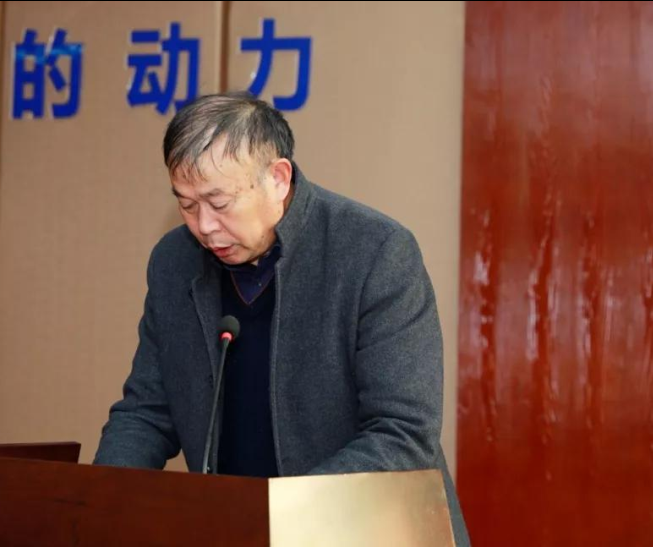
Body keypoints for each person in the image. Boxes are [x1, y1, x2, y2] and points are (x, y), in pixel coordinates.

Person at [93, 91, 469, 545]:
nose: (204, 226)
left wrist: (282, 518)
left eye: (219, 203)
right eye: (187, 205)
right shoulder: (175, 262)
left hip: (365, 532)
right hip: (235, 531)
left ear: (278, 178)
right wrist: (99, 508)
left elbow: (403, 433)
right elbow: (146, 413)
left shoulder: (374, 252)